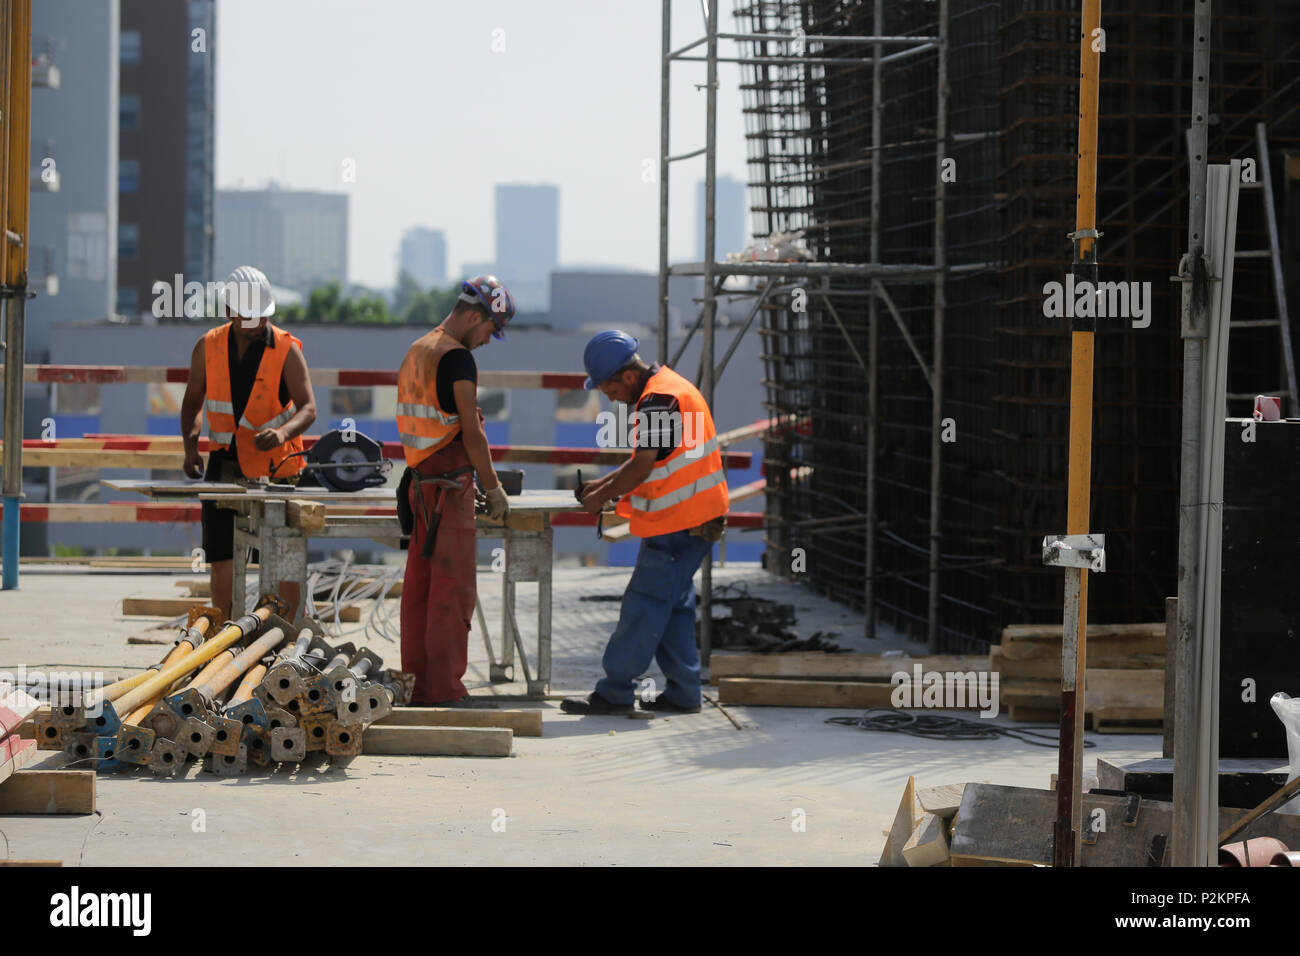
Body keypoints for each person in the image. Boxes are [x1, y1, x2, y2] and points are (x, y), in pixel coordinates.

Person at [561, 331, 729, 716]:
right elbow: (647, 460)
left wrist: (602, 497)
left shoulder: (657, 400)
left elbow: (641, 466)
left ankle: (615, 691)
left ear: (628, 376)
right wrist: (600, 486)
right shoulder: (668, 388)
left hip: (680, 523)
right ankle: (686, 692)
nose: (609, 396)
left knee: (644, 605)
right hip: (695, 518)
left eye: (608, 387)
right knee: (673, 607)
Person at [396, 275, 513, 707]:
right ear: (473, 315)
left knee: (421, 590)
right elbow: (471, 433)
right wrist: (494, 488)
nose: (486, 340)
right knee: (453, 590)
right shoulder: (458, 357)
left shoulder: (419, 348)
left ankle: (417, 684)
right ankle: (443, 690)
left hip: (420, 484)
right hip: (450, 488)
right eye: (489, 330)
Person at [180, 265, 317, 620]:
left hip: (277, 472)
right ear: (229, 311)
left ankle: (282, 632)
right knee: (222, 556)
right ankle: (224, 634)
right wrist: (191, 447)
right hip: (224, 468)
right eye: (247, 314)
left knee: (282, 558)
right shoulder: (207, 347)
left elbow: (308, 408)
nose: (255, 322)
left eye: (260, 314)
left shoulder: (286, 349)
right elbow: (193, 400)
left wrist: (284, 434)